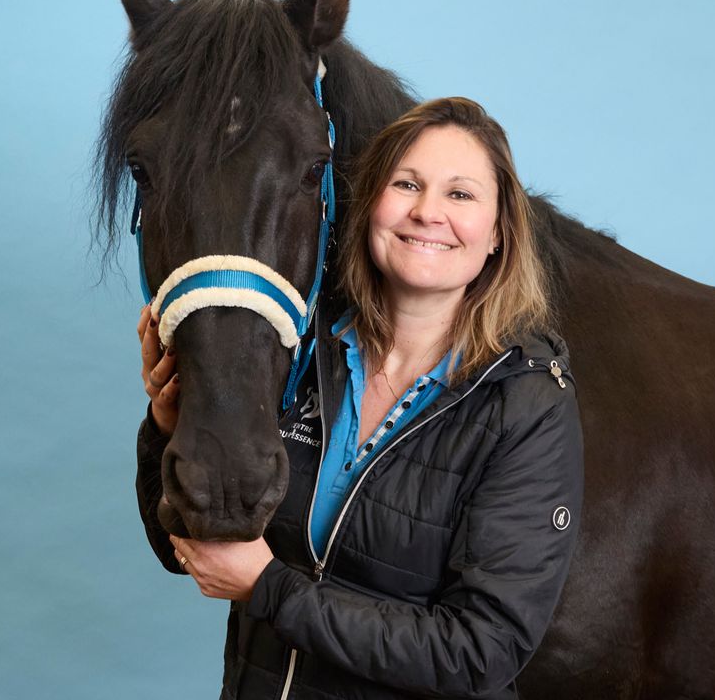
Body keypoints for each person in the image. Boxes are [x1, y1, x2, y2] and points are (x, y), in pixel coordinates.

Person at [135, 97, 584, 699]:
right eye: (407, 184)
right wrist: (170, 427)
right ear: (371, 205)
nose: (427, 212)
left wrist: (270, 588)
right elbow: (185, 548)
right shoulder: (298, 354)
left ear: (500, 233)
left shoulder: (526, 405)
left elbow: (481, 653)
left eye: (460, 195)